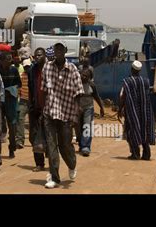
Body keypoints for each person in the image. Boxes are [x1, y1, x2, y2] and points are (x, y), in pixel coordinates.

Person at [43, 41, 84, 189]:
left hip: (66, 114)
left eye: (61, 49)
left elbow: (79, 92)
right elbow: (44, 90)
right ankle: (55, 177)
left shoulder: (72, 69)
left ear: (65, 51)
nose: (58, 51)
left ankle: (72, 164)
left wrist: (76, 114)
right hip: (50, 112)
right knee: (51, 145)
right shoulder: (47, 67)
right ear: (54, 51)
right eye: (56, 49)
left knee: (65, 145)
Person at [118, 60, 156, 160]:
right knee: (144, 130)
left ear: (131, 69)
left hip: (132, 111)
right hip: (145, 111)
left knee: (132, 130)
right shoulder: (146, 81)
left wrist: (120, 109)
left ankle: (135, 153)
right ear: (139, 70)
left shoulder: (128, 82)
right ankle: (146, 154)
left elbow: (123, 97)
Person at [0, 51, 21, 158]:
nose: (10, 61)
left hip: (11, 101)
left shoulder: (14, 70)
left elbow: (18, 84)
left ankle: (12, 148)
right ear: (2, 61)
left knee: (12, 126)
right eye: (7, 59)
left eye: (10, 58)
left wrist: (10, 90)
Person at [77, 68, 105, 156]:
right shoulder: (76, 84)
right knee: (78, 128)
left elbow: (96, 96)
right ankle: (81, 144)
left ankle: (86, 147)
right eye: (83, 75)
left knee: (87, 126)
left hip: (88, 108)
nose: (84, 77)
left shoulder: (91, 85)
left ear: (89, 77)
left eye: (86, 76)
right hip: (78, 108)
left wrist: (101, 107)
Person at [27, 48, 47, 171]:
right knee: (33, 136)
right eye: (35, 56)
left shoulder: (50, 70)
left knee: (49, 136)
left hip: (48, 108)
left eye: (39, 55)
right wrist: (31, 104)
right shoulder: (31, 71)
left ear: (44, 56)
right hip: (35, 108)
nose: (37, 57)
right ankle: (39, 163)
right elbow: (30, 88)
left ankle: (52, 158)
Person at [15, 58, 31, 149]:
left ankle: (35, 140)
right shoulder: (21, 76)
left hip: (32, 102)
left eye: (28, 66)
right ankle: (20, 140)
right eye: (25, 67)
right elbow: (18, 89)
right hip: (23, 101)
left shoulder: (34, 75)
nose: (27, 68)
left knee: (34, 122)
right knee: (20, 118)